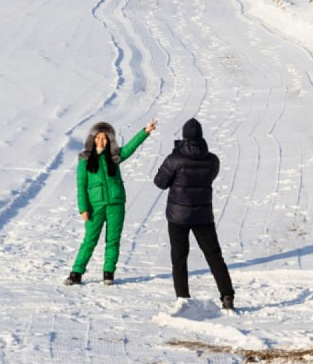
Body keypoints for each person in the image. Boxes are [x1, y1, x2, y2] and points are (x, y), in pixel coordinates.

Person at [153, 118, 235, 310]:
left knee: (179, 257)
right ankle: (227, 295)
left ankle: (183, 297)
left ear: (184, 136)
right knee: (214, 256)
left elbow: (160, 182)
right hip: (203, 215)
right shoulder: (212, 159)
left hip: (178, 215)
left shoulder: (175, 159)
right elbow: (210, 177)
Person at [65, 120, 157, 286]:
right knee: (89, 240)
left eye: (105, 138)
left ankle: (108, 272)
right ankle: (76, 272)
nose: (101, 141)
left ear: (110, 140)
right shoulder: (85, 160)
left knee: (113, 240)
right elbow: (81, 186)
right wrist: (83, 208)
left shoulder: (114, 157)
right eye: (98, 137)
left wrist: (146, 131)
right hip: (95, 207)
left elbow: (130, 148)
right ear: (92, 139)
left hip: (116, 204)